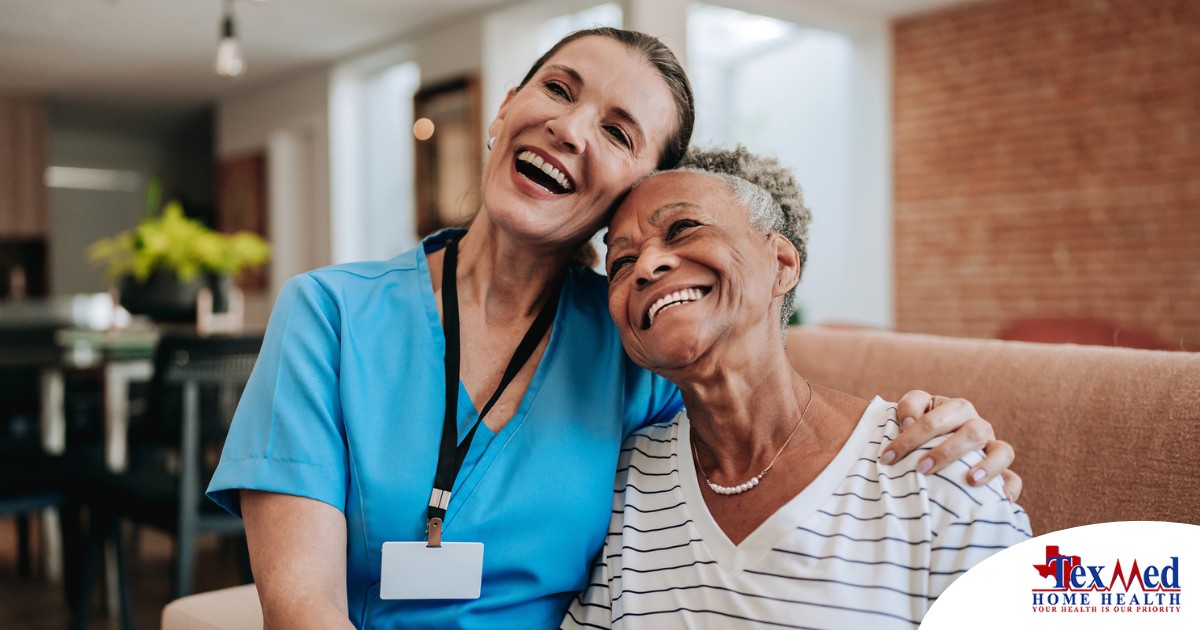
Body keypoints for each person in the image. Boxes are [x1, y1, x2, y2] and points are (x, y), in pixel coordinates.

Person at [207, 28, 1020, 629]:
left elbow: (753, 395)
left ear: (639, 188)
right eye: (558, 90)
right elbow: (301, 607)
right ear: (504, 112)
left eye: (618, 131)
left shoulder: (635, 343)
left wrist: (937, 437)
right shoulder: (330, 315)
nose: (569, 128)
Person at [562, 147, 1032, 629]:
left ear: (781, 263)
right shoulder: (618, 485)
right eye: (620, 262)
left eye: (683, 228)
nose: (645, 267)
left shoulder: (936, 463)